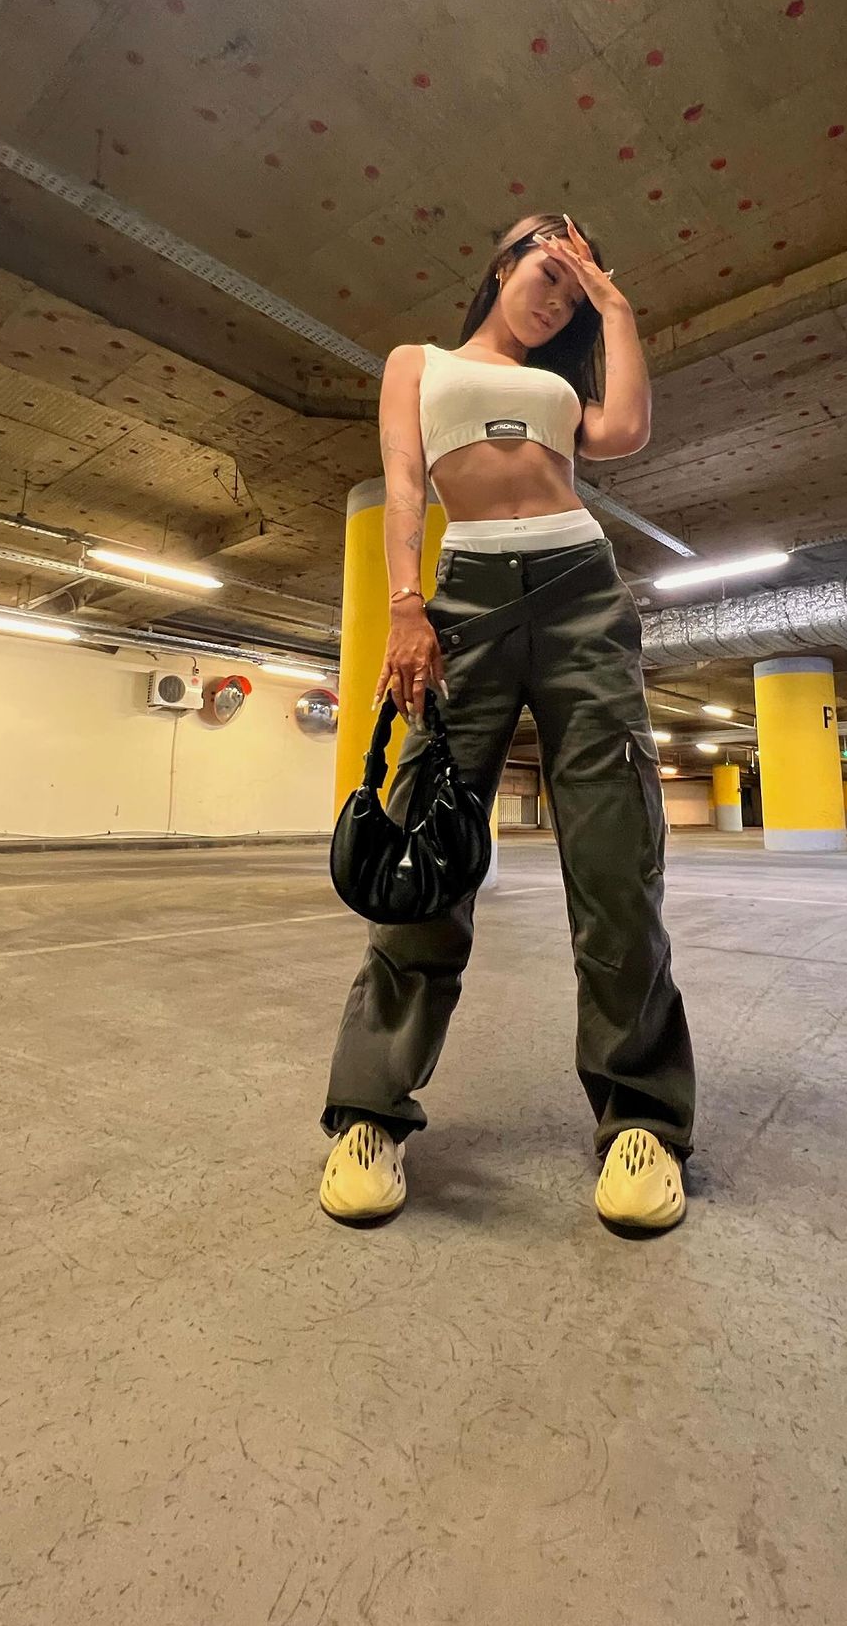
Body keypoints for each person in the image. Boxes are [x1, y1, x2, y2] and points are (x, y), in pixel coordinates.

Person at [320, 213, 695, 1233]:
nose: (557, 300)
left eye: (574, 294)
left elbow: (628, 430)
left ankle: (643, 1122)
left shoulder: (563, 392)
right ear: (503, 264)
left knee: (616, 863)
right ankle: (370, 1114)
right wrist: (407, 605)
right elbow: (405, 484)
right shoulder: (419, 363)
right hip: (467, 602)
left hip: (582, 593)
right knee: (424, 852)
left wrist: (613, 303)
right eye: (549, 272)